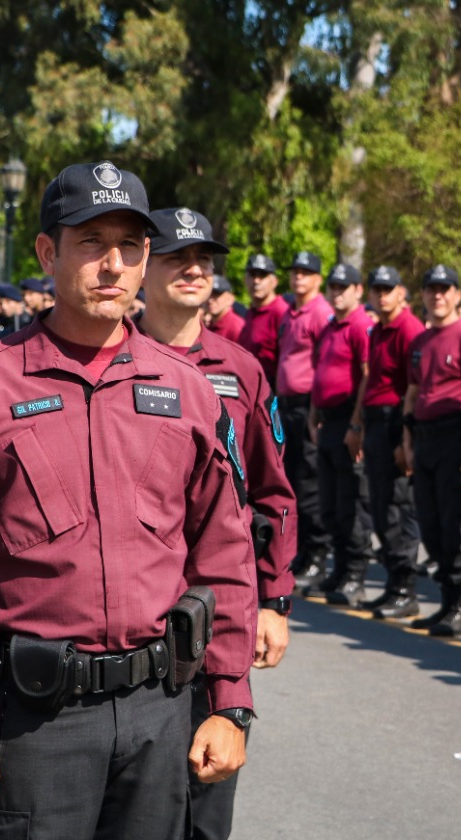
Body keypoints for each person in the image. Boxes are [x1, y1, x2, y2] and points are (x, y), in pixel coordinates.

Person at [0, 161, 257, 839]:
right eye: (91, 242)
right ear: (47, 252)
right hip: (36, 726)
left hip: (162, 711)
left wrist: (229, 702)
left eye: (129, 247)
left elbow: (227, 550)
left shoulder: (188, 390)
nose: (112, 265)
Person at [138, 206, 296, 840]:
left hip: (217, 606)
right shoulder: (114, 363)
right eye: (177, 256)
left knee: (207, 798)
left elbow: (273, 493)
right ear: (145, 269)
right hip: (137, 609)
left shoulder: (242, 369)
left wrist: (275, 600)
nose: (194, 267)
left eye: (204, 257)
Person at [401, 264, 461, 636]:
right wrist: (406, 442)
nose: (438, 295)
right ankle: (446, 601)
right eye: (431, 288)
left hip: (457, 437)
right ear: (422, 295)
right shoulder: (420, 342)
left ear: (457, 294)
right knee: (432, 523)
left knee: (457, 523)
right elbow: (412, 392)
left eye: (445, 288)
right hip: (425, 439)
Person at [306, 263, 376, 605]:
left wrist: (356, 424)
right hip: (328, 421)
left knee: (351, 503)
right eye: (333, 286)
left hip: (349, 421)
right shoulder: (331, 326)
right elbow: (320, 370)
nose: (337, 292)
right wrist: (314, 412)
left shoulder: (361, 326)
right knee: (330, 504)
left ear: (358, 290)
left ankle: (356, 575)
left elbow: (366, 376)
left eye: (344, 286)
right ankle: (339, 570)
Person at [360, 266, 425, 618]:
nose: (382, 295)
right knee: (381, 507)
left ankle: (406, 588)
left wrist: (405, 438)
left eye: (389, 288)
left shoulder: (409, 329)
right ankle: (393, 584)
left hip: (393, 422)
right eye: (377, 289)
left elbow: (411, 390)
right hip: (374, 421)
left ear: (402, 292)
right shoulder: (379, 329)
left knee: (398, 508)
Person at [276, 251, 335, 589]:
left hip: (308, 406)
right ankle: (302, 551)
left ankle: (318, 554)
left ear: (317, 278)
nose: (298, 277)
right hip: (288, 405)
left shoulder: (321, 314)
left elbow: (324, 365)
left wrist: (315, 410)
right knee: (294, 481)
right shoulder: (291, 312)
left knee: (312, 483)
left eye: (305, 272)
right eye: (295, 271)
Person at [238, 254, 290, 386]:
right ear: (245, 280)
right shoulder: (250, 312)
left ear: (274, 282)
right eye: (252, 275)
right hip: (249, 385)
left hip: (272, 388)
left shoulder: (281, 311)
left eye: (262, 276)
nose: (256, 281)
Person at [206, 275, 246, 340]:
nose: (210, 300)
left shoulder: (236, 327)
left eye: (216, 294)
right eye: (208, 294)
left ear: (230, 299)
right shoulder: (209, 324)